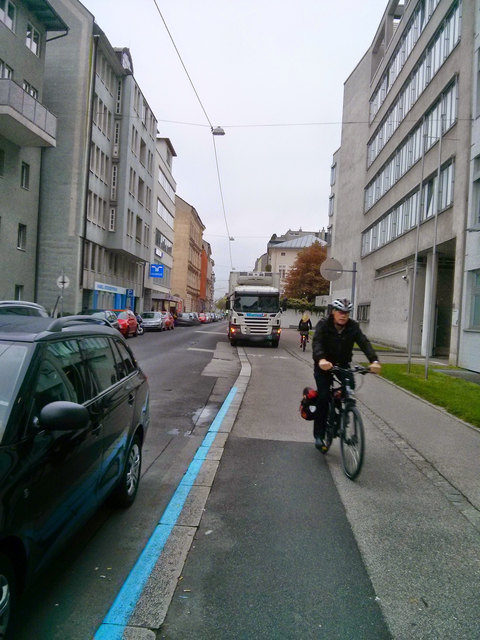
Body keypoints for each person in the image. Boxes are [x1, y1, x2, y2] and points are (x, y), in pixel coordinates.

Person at [311, 298, 381, 451]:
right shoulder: (324, 324)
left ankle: (346, 413)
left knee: (350, 389)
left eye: (346, 313)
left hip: (343, 365)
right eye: (340, 312)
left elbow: (364, 343)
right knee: (323, 397)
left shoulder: (353, 327)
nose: (343, 315)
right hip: (324, 366)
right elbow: (317, 343)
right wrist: (321, 359)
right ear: (333, 312)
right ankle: (319, 435)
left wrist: (374, 361)